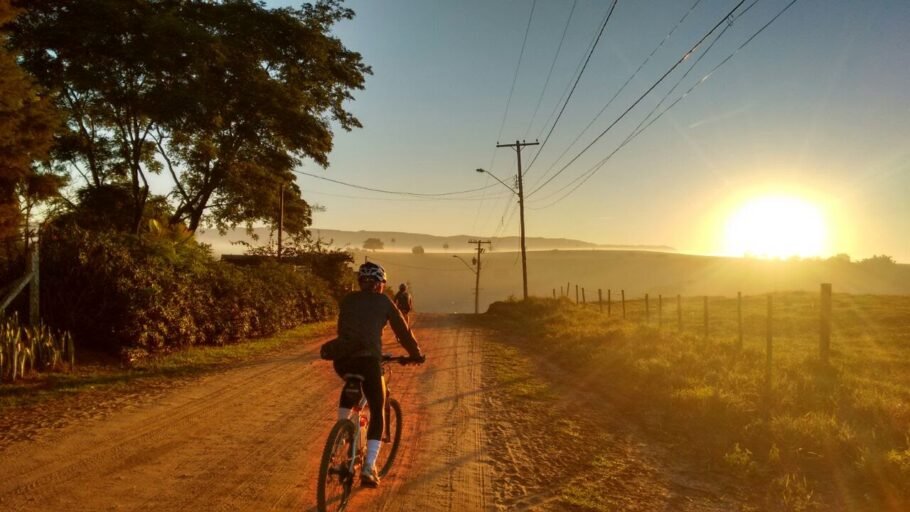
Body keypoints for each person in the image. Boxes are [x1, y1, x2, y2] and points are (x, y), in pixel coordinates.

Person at [333, 262, 424, 488]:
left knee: (352, 384)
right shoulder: (384, 301)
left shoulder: (349, 300)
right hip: (369, 361)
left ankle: (339, 439)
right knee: (377, 408)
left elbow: (344, 330)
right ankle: (369, 467)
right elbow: (402, 332)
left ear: (361, 283)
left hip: (343, 360)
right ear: (380, 285)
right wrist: (415, 354)